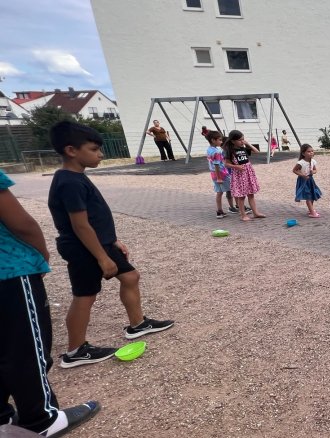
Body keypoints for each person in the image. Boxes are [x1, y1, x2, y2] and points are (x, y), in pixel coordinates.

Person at [47, 121, 174, 368]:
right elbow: (80, 225)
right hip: (84, 247)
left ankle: (137, 325)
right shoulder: (69, 182)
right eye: (94, 149)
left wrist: (112, 241)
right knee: (85, 295)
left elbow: (94, 217)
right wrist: (102, 257)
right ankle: (75, 351)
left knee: (130, 277)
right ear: (72, 150)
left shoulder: (77, 177)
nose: (101, 154)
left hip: (102, 243)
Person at [1, 169, 101, 437]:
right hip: (9, 270)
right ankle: (41, 420)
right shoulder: (68, 181)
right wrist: (39, 254)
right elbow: (21, 223)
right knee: (26, 349)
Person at [223, 130, 266, 221]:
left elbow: (257, 151)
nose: (242, 141)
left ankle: (255, 213)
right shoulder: (230, 151)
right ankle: (243, 215)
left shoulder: (243, 148)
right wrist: (236, 166)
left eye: (243, 139)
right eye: (240, 140)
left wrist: (248, 144)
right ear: (233, 141)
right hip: (239, 174)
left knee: (251, 194)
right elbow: (226, 164)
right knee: (241, 196)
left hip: (248, 173)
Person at [205, 130, 233, 219]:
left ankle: (219, 211)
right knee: (232, 188)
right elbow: (216, 165)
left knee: (219, 192)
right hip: (221, 174)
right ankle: (236, 207)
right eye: (220, 140)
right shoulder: (217, 152)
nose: (221, 142)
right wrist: (219, 178)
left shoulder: (209, 149)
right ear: (213, 140)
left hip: (213, 174)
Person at [293, 144, 322, 218]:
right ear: (303, 153)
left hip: (310, 180)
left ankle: (310, 210)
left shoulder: (313, 161)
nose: (311, 153)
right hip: (303, 181)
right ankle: (312, 212)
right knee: (308, 196)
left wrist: (313, 172)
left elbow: (315, 170)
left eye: (312, 151)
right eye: (308, 151)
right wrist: (302, 175)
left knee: (312, 194)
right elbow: (294, 170)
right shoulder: (301, 162)